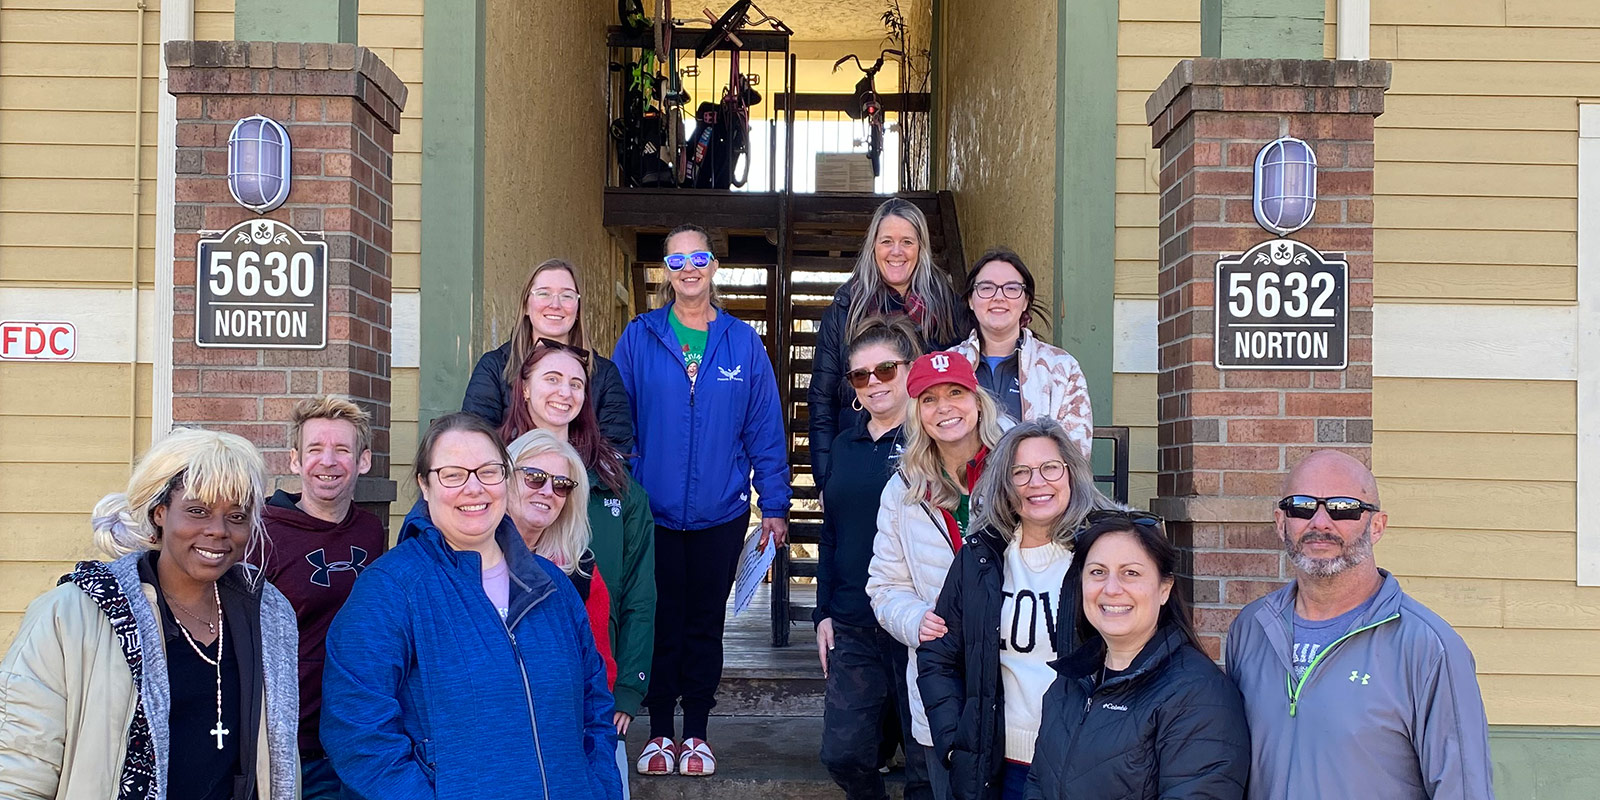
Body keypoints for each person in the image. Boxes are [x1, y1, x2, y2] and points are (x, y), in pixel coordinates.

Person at [321, 412, 622, 800]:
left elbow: (595, 709)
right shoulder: (390, 590)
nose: (474, 488)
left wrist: (598, 789)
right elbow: (357, 733)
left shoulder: (552, 586)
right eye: (453, 474)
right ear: (425, 486)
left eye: (488, 471)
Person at [0, 428, 300, 800]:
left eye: (236, 516)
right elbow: (20, 765)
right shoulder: (76, 615)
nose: (218, 531)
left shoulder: (268, 615)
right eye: (197, 511)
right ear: (159, 513)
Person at [612, 222, 791, 777]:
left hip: (721, 513)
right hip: (653, 514)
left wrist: (777, 504)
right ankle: (658, 731)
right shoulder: (639, 336)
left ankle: (697, 734)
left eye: (700, 258)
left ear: (714, 266)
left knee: (704, 625)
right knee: (658, 622)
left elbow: (764, 427)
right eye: (677, 261)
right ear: (666, 272)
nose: (689, 270)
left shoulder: (742, 343)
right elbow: (618, 425)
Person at [1227, 450, 1494, 800]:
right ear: (1281, 522)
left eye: (1343, 508)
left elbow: (1464, 789)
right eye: (1302, 506)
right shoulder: (1252, 628)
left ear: (1377, 525)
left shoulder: (1428, 647)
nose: (1320, 523)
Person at [917, 419, 1115, 800]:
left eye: (1050, 468)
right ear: (1005, 488)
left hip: (1086, 763)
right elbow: (938, 656)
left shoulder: (1105, 552)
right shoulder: (980, 558)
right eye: (1020, 473)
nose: (1036, 482)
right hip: (998, 767)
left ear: (1071, 473)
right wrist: (955, 742)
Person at [501, 341, 657, 791]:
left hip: (590, 696)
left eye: (576, 384)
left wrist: (628, 686)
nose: (564, 392)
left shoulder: (614, 485)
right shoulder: (483, 470)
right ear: (523, 389)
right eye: (551, 379)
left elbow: (639, 595)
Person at [1024, 511, 1249, 800]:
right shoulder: (1070, 683)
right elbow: (1037, 783)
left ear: (1164, 589)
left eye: (1131, 573)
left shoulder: (1198, 695)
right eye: (1097, 572)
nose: (1112, 588)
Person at [865, 351, 1006, 799]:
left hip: (1015, 664)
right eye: (929, 399)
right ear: (917, 413)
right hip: (945, 671)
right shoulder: (902, 488)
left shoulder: (1017, 469)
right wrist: (916, 620)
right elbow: (884, 586)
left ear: (978, 401)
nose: (944, 407)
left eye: (956, 393)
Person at [815, 316, 931, 800]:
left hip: (920, 620)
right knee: (843, 753)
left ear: (909, 370)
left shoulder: (932, 440)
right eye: (860, 376)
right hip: (855, 619)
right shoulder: (845, 443)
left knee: (926, 762)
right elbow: (832, 532)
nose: (873, 383)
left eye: (885, 370)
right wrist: (823, 612)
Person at [258, 395, 387, 799]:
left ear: (363, 461)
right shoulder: (262, 535)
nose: (328, 461)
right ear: (295, 461)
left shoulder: (371, 532)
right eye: (315, 449)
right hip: (292, 745)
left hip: (360, 738)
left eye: (342, 450)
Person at [809, 197, 968, 492]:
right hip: (860, 453)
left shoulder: (946, 307)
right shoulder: (846, 309)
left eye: (907, 241)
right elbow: (822, 400)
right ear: (873, 247)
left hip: (928, 458)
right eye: (887, 242)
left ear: (921, 248)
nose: (897, 252)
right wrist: (825, 480)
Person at [463, 257, 635, 454]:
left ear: (578, 309)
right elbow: (476, 445)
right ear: (526, 305)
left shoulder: (604, 374)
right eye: (544, 293)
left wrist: (565, 479)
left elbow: (616, 452)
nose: (555, 304)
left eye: (567, 296)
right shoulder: (494, 367)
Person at [505, 431, 618, 705]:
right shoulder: (468, 560)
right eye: (534, 476)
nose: (547, 491)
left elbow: (599, 672)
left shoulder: (581, 572)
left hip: (560, 724)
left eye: (562, 484)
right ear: (504, 477)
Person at [951, 248, 1092, 456]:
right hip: (962, 487)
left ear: (1025, 301)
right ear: (971, 300)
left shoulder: (1060, 368)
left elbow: (1075, 455)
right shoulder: (948, 364)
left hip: (1035, 485)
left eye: (1011, 288)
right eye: (987, 288)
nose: (999, 297)